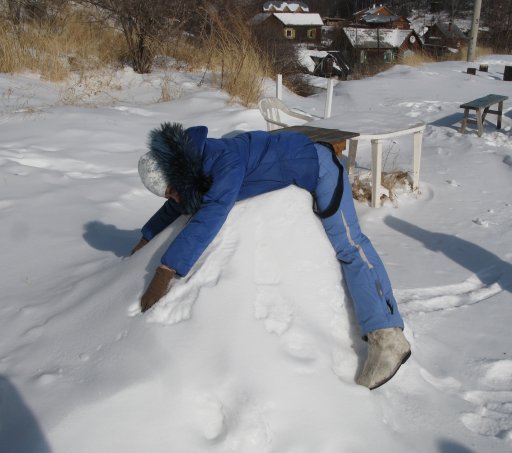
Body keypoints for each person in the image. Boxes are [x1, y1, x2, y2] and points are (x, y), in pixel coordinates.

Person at [131, 122, 410, 390]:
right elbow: (178, 204)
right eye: (168, 195)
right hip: (296, 158)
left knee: (349, 245)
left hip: (319, 167)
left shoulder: (224, 161)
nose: (173, 199)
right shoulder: (194, 164)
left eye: (171, 191)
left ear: (176, 171)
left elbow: (213, 212)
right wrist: (147, 235)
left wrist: (167, 268)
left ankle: (387, 337)